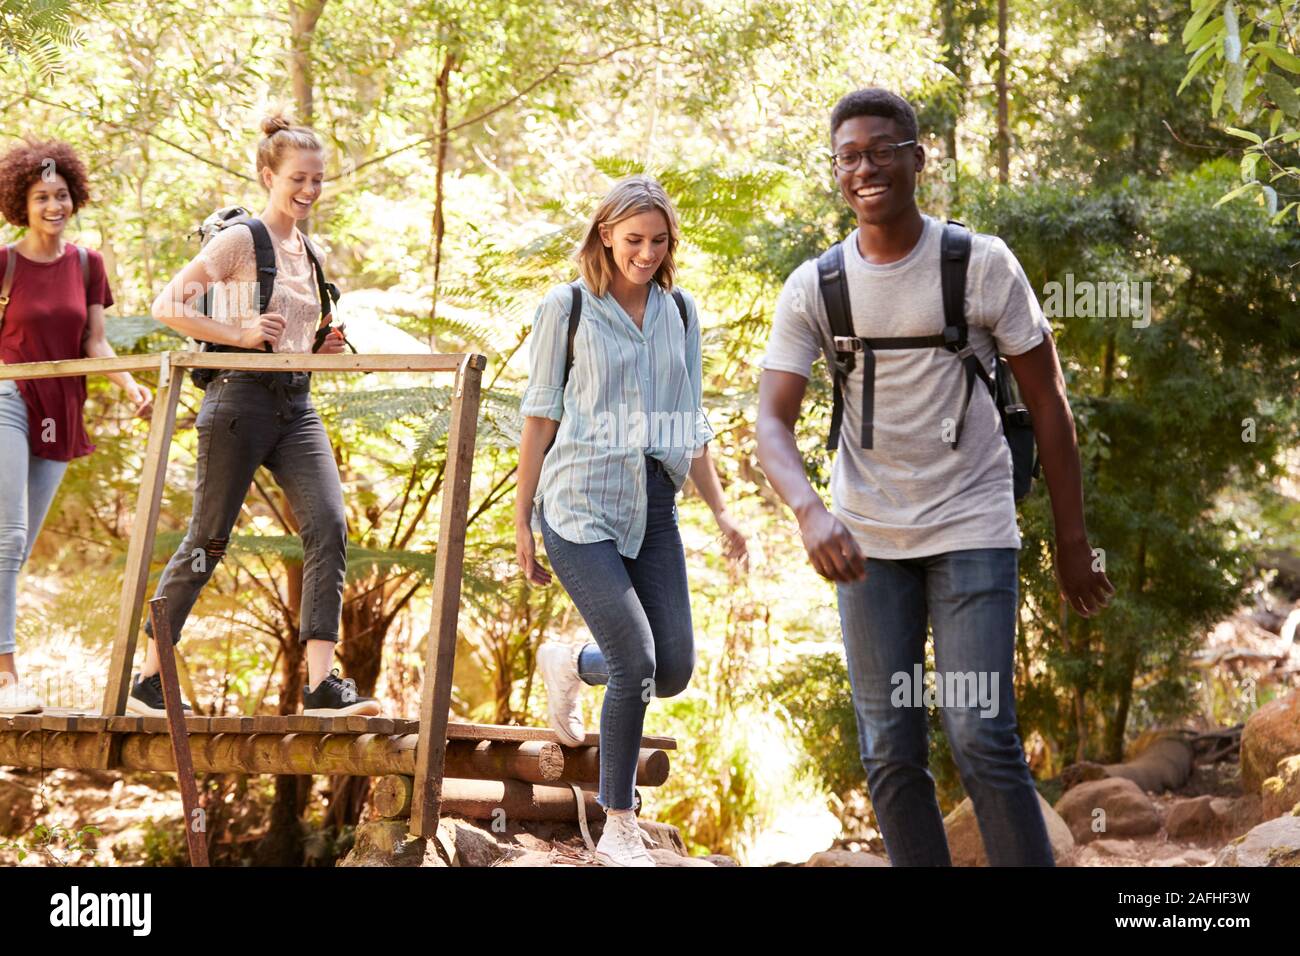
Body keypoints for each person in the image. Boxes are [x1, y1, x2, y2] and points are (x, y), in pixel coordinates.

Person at [755, 88, 1115, 866]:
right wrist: (809, 512)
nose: (866, 167)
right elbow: (770, 425)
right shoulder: (815, 287)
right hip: (866, 535)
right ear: (836, 172)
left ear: (918, 158)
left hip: (973, 522)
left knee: (979, 730)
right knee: (888, 746)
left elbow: (1049, 402)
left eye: (883, 149)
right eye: (849, 155)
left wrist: (1074, 541)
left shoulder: (980, 265)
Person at [515, 174, 747, 866]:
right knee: (637, 659)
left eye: (657, 240)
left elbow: (690, 422)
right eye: (633, 240)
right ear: (606, 235)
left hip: (653, 506)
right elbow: (539, 415)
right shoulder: (569, 308)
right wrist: (522, 518)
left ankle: (570, 663)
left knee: (671, 667)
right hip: (578, 506)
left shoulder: (681, 313)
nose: (645, 253)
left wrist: (726, 514)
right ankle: (620, 820)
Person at [135, 113, 379, 718]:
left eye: (318, 179)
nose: (309, 190)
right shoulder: (242, 240)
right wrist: (238, 334)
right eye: (298, 177)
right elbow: (169, 305)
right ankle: (148, 679)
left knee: (329, 524)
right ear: (268, 175)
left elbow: (299, 336)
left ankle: (322, 685)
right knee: (208, 539)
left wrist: (320, 350)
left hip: (296, 404)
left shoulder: (311, 252)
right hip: (238, 400)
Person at [0, 139, 152, 715]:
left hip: (62, 406)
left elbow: (94, 342)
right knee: (7, 537)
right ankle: (7, 679)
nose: (54, 205)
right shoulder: (5, 261)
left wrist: (131, 385)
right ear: (22, 202)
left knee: (16, 548)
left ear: (75, 197)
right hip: (8, 395)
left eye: (61, 195)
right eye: (42, 197)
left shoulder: (87, 264)